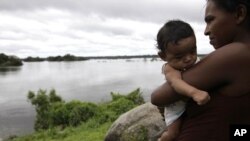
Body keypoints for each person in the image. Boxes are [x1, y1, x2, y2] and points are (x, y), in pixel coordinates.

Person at [151, 0, 250, 141]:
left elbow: (157, 97)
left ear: (239, 14)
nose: (206, 31)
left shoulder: (236, 53)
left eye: (210, 20)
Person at [156, 20, 210, 141]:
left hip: (190, 105)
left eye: (192, 51)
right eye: (179, 57)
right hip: (176, 109)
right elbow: (176, 83)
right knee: (173, 134)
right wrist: (195, 93)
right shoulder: (169, 68)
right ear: (163, 56)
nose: (188, 58)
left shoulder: (196, 61)